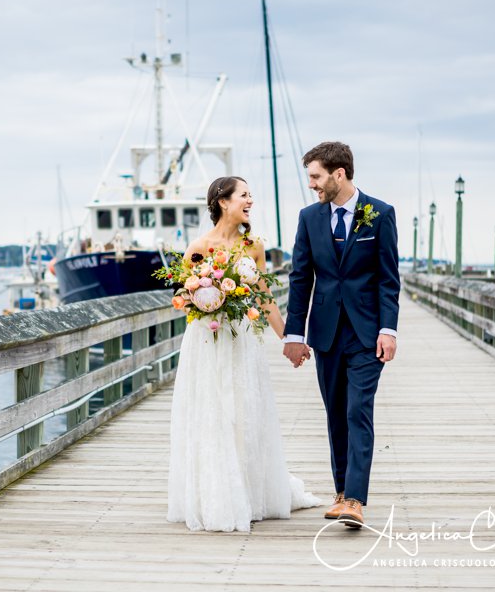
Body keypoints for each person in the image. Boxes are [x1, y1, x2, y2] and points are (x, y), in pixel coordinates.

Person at [167, 175, 322, 532]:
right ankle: (215, 494)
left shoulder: (254, 245)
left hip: (241, 338)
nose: (250, 201)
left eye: (251, 195)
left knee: (244, 411)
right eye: (244, 195)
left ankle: (248, 492)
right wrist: (205, 298)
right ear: (224, 201)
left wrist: (290, 339)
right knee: (212, 411)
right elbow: (180, 298)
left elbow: (265, 297)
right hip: (206, 340)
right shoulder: (199, 246)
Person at [282, 142, 400, 529]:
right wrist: (293, 335)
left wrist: (388, 330)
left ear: (339, 173)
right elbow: (301, 279)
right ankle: (340, 491)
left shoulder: (380, 214)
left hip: (367, 334)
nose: (312, 185)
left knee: (357, 411)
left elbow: (388, 279)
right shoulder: (309, 218)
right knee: (336, 413)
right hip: (326, 333)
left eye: (316, 177)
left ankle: (354, 499)